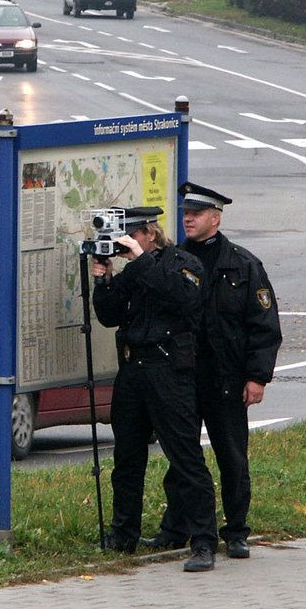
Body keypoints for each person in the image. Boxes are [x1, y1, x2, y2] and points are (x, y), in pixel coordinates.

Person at [144, 183, 282, 561]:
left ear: (215, 219)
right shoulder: (174, 261)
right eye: (186, 212)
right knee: (183, 459)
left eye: (197, 213)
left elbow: (264, 325)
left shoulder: (243, 264)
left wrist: (257, 377)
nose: (187, 218)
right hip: (182, 377)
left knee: (232, 457)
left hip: (227, 380)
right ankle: (176, 528)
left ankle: (235, 532)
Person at [90, 206, 219, 572]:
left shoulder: (184, 263)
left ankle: (204, 541)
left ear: (148, 233)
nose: (123, 243)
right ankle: (123, 534)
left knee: (185, 457)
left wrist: (140, 259)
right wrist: (105, 280)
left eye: (129, 235)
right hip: (134, 371)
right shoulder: (135, 269)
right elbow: (110, 316)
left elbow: (183, 297)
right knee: (127, 458)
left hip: (169, 372)